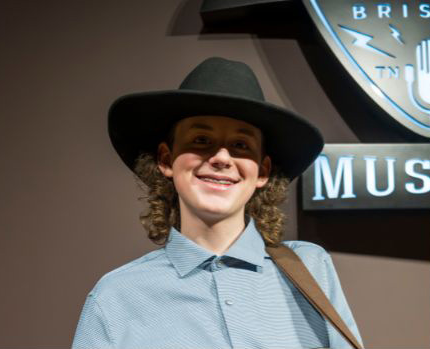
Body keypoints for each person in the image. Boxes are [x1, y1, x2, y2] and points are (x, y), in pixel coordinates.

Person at [73, 57, 362, 348]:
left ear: (261, 172)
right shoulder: (116, 297)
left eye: (240, 145)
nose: (222, 158)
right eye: (200, 139)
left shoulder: (312, 268)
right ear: (166, 159)